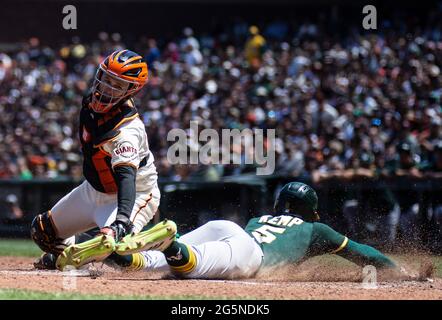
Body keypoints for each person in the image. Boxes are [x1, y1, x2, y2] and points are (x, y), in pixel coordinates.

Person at [31, 50, 161, 270]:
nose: (106, 87)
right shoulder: (89, 103)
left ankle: (165, 253)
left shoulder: (128, 129)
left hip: (134, 194)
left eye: (116, 85)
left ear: (132, 90)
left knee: (115, 253)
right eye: (106, 78)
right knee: (42, 231)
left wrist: (121, 220)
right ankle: (69, 257)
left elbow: (126, 178)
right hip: (93, 191)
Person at [109, 182, 397, 278]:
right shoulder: (316, 229)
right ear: (310, 209)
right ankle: (170, 244)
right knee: (188, 267)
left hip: (230, 229)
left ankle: (123, 254)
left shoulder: (259, 219)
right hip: (250, 255)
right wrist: (397, 271)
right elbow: (363, 252)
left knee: (157, 266)